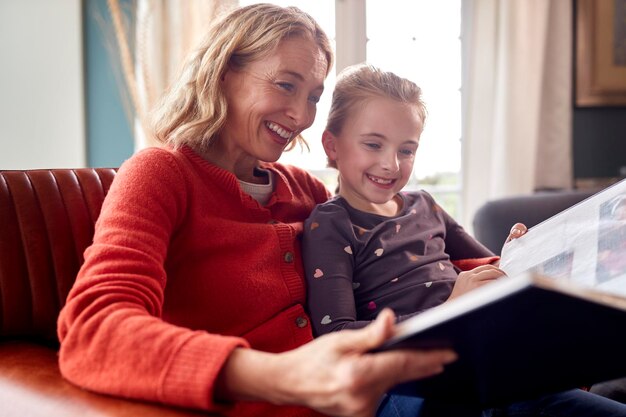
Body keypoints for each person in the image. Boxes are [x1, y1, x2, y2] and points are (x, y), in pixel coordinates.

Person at [56, 4, 459, 417]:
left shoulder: (305, 190)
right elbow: (94, 330)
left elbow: (410, 256)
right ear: (225, 71)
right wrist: (282, 375)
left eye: (314, 98)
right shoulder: (160, 174)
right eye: (286, 85)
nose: (302, 116)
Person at [302, 63, 626, 416]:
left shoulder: (423, 204)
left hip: (482, 363)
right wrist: (445, 310)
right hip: (405, 381)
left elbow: (494, 269)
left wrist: (525, 250)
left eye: (407, 150)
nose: (391, 164)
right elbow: (336, 335)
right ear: (332, 146)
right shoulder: (330, 223)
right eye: (373, 144)